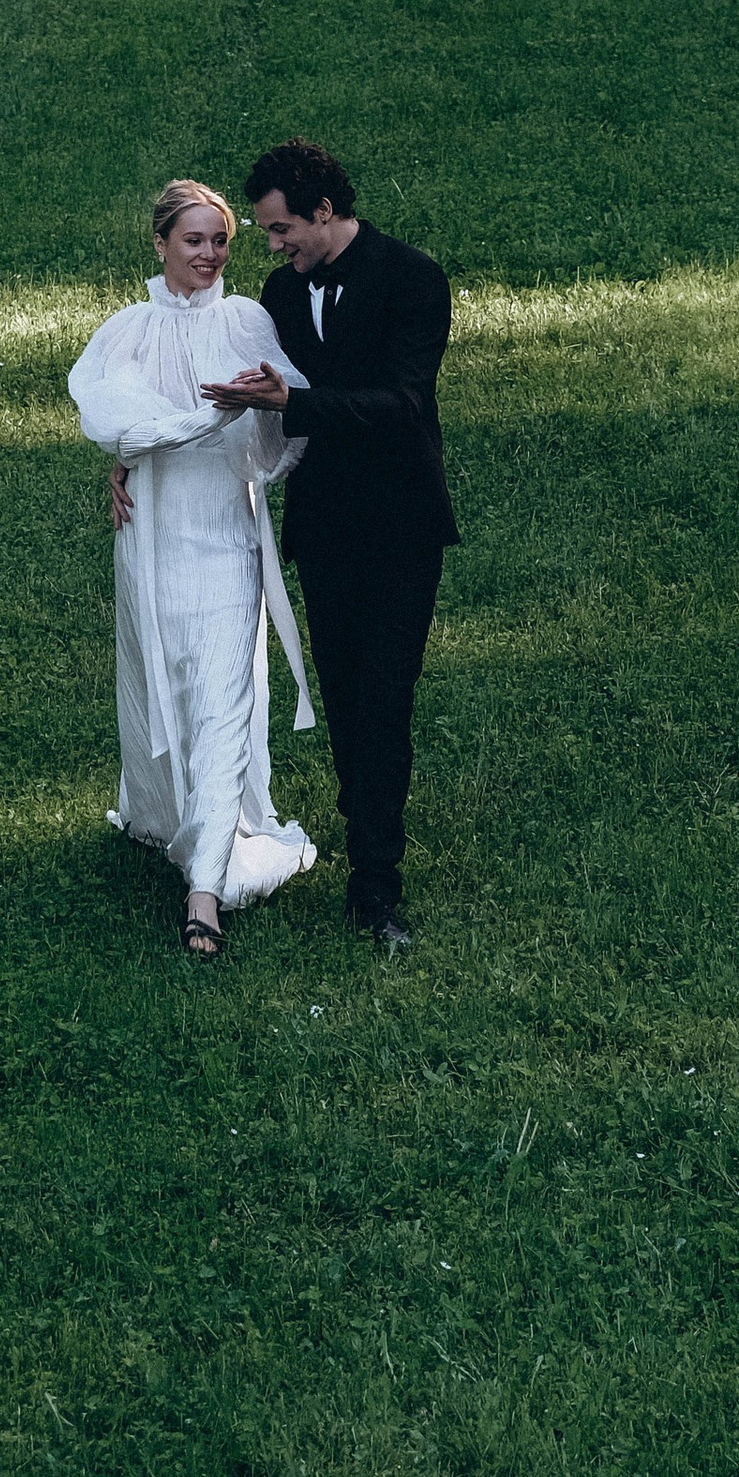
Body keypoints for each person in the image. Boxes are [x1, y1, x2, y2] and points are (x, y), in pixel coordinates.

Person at [200, 139, 456, 952]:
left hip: (400, 527)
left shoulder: (412, 278)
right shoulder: (282, 291)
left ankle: (376, 891)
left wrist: (299, 402)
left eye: (281, 231)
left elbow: (403, 402)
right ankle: (364, 837)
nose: (273, 249)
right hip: (326, 529)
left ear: (323, 210)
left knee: (384, 699)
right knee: (346, 700)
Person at [67, 181, 318, 959]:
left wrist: (258, 406)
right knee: (166, 681)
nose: (209, 256)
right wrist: (152, 444)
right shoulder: (128, 332)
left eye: (220, 242)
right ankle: (167, 816)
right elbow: (109, 417)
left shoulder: (246, 320)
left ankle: (204, 887)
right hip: (152, 538)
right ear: (160, 244)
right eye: (194, 241)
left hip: (224, 536)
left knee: (222, 696)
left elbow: (286, 415)